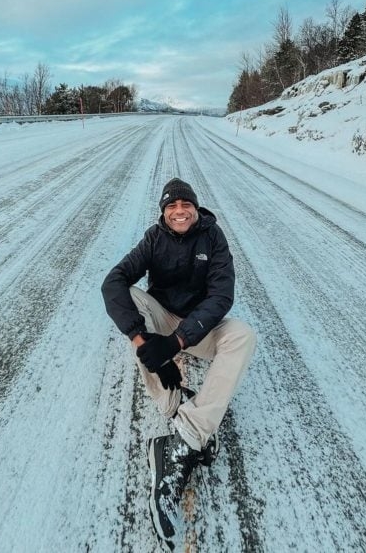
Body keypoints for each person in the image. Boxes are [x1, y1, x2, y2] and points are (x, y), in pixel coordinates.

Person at [101, 177, 256, 547]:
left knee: (243, 336)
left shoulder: (214, 238)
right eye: (171, 207)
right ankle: (173, 403)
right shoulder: (154, 239)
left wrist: (178, 342)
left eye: (185, 205)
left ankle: (186, 436)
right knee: (131, 299)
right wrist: (146, 343)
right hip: (162, 318)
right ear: (164, 213)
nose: (179, 211)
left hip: (199, 328)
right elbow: (113, 282)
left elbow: (221, 296)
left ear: (196, 209)